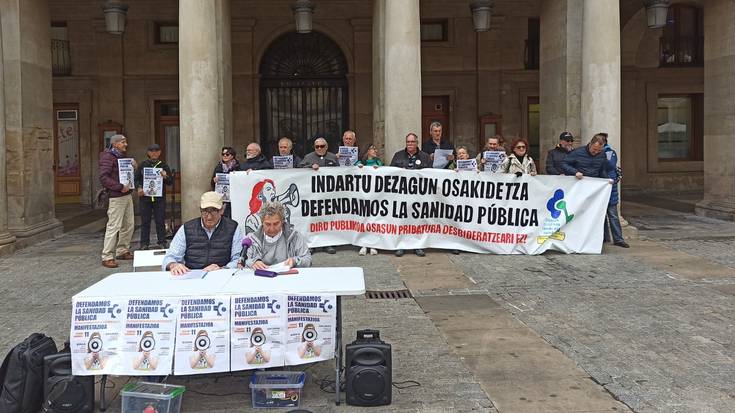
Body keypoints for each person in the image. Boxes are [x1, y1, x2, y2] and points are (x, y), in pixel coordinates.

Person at [162, 191, 244, 275]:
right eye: (205, 211)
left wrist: (223, 269)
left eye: (213, 211)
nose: (209, 216)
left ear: (222, 210)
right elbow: (170, 257)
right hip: (191, 277)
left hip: (222, 276)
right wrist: (173, 265)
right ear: (200, 210)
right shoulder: (187, 228)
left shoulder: (233, 228)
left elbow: (238, 259)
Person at [99, 134, 136, 268]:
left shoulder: (120, 157)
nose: (126, 144)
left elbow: (124, 174)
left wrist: (133, 167)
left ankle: (122, 250)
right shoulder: (108, 157)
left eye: (125, 142)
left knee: (129, 224)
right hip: (116, 196)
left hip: (126, 195)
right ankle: (107, 256)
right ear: (115, 144)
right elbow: (104, 177)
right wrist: (119, 187)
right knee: (114, 226)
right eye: (123, 142)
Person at [390, 133, 429, 258]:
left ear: (417, 143)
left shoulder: (425, 157)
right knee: (402, 221)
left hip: (419, 196)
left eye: (412, 142)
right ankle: (401, 245)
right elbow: (390, 172)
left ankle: (418, 246)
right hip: (402, 196)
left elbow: (431, 174)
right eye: (408, 142)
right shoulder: (398, 155)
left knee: (418, 221)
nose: (410, 144)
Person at [299, 138, 339, 254]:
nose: (319, 148)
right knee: (313, 220)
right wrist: (310, 166)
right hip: (313, 196)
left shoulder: (333, 157)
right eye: (317, 146)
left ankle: (328, 244)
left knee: (328, 219)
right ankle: (312, 245)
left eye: (322, 146)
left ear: (326, 147)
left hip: (328, 195)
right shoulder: (308, 157)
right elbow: (298, 169)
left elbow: (342, 172)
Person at [245, 201, 312, 269]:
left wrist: (295, 261)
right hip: (262, 277)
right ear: (262, 222)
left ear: (282, 221)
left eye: (276, 224)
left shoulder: (295, 236)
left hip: (289, 277)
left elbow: (307, 260)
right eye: (268, 224)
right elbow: (244, 262)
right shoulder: (252, 239)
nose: (272, 228)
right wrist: (253, 263)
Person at [135, 144, 172, 250]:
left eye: (156, 151)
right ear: (148, 153)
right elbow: (136, 179)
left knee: (160, 220)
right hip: (145, 198)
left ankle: (162, 241)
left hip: (159, 198)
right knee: (145, 221)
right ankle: (144, 243)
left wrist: (165, 176)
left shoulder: (163, 165)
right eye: (152, 151)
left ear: (160, 152)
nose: (154, 153)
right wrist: (139, 188)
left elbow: (170, 182)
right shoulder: (143, 165)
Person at [600, 133, 629, 248]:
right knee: (601, 216)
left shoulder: (610, 153)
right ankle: (605, 238)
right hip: (601, 189)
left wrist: (600, 157)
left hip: (610, 190)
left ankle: (618, 239)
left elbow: (610, 165)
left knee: (613, 215)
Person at [355, 143, 382, 256]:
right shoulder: (361, 162)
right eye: (372, 148)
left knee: (374, 220)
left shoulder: (379, 162)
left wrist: (379, 169)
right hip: (363, 196)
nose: (375, 150)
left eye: (375, 148)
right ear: (367, 151)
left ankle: (373, 244)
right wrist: (359, 167)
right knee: (364, 219)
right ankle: (364, 244)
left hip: (375, 195)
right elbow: (354, 168)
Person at [212, 146, 241, 218]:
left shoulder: (238, 167)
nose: (224, 156)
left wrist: (237, 176)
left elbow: (241, 182)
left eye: (227, 154)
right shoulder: (218, 167)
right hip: (221, 198)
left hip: (234, 198)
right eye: (223, 154)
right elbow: (212, 183)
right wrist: (214, 180)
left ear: (232, 156)